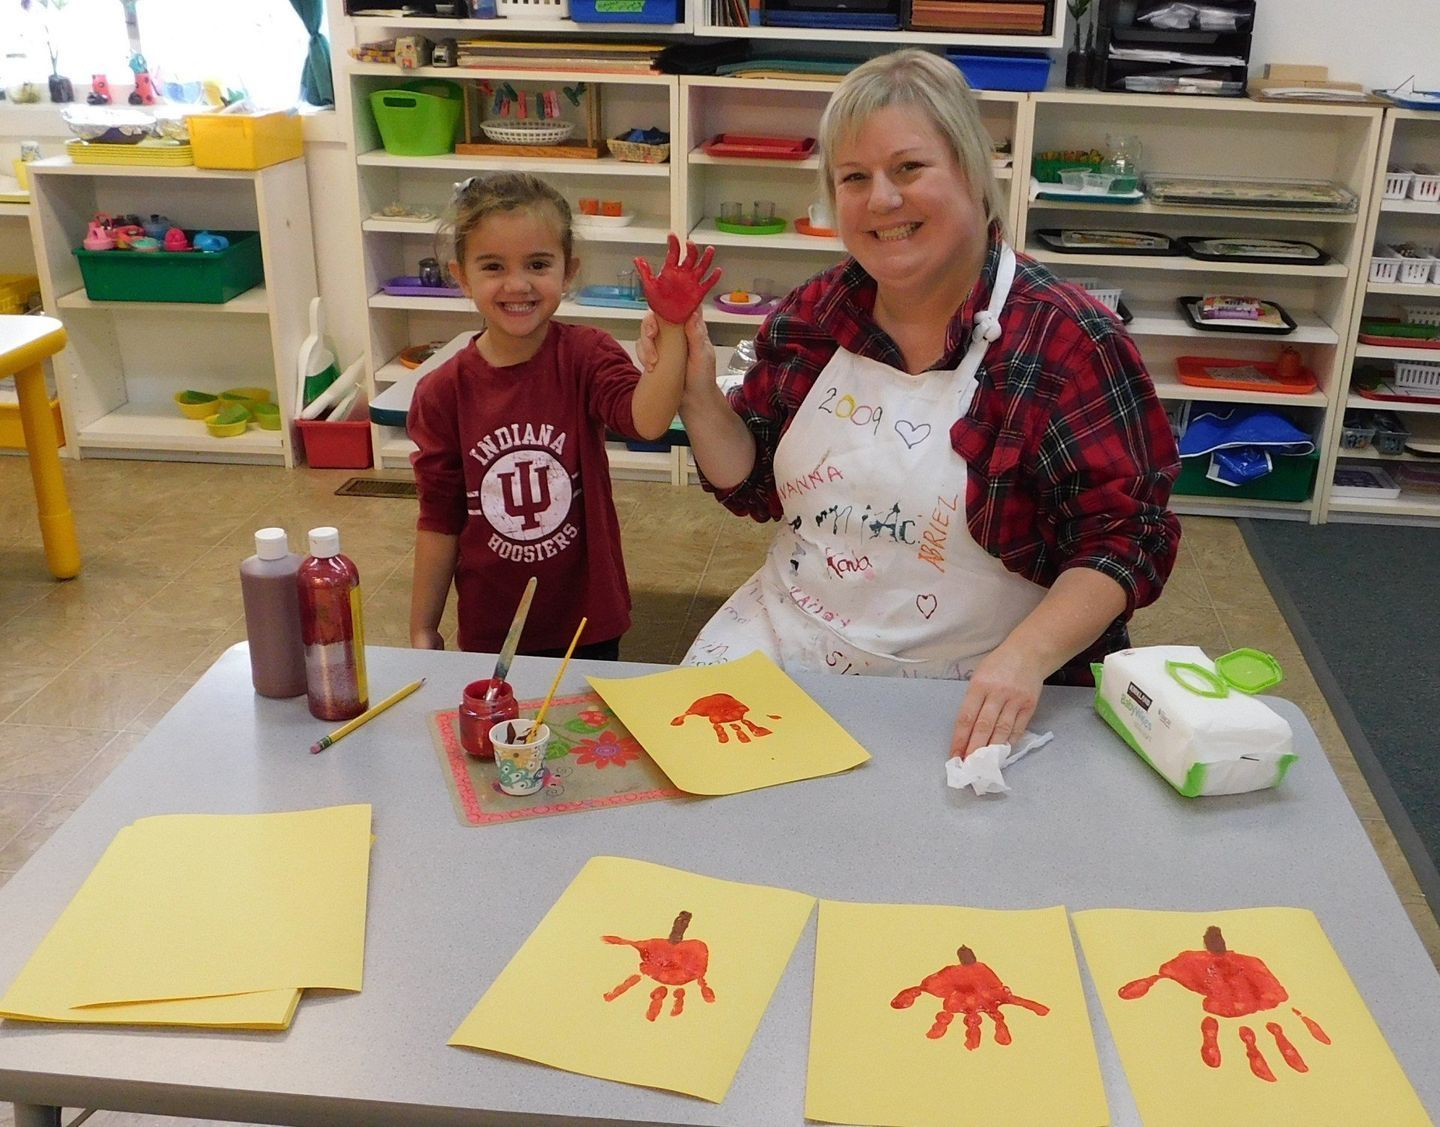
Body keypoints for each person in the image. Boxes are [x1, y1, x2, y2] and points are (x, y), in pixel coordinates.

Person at [643, 48, 1181, 757]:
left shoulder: (1066, 340)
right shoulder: (817, 312)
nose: (883, 201)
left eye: (908, 169)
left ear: (970, 169)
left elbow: (1124, 540)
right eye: (854, 179)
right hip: (788, 643)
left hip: (977, 685)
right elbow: (751, 476)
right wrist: (698, 393)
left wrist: (1024, 659)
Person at [409, 172, 719, 660]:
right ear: (462, 276)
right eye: (493, 266)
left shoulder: (586, 355)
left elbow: (648, 421)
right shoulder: (442, 392)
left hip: (586, 623)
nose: (518, 284)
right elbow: (439, 518)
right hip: (493, 626)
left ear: (568, 271)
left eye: (538, 264)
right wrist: (422, 626)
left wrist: (674, 328)